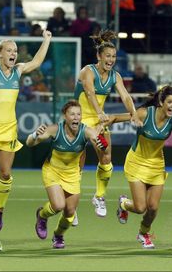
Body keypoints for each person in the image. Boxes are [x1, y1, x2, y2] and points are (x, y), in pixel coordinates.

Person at [0, 6, 52, 232]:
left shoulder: (18, 71)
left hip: (9, 129)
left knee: (6, 173)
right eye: (9, 50)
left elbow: (36, 62)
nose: (13, 53)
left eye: (15, 50)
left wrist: (45, 40)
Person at [73, 29, 142, 217]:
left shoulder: (115, 76)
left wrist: (133, 113)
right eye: (107, 56)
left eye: (114, 57)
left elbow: (126, 96)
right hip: (78, 119)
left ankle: (99, 196)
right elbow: (89, 93)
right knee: (77, 163)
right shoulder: (88, 71)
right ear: (99, 56)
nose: (111, 60)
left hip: (98, 120)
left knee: (106, 158)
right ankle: (71, 203)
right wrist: (100, 112)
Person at [112, 86, 172, 249]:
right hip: (137, 162)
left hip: (156, 165)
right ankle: (124, 204)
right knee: (140, 208)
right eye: (170, 102)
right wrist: (108, 119)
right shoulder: (145, 113)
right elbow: (123, 117)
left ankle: (144, 233)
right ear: (161, 102)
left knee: (153, 208)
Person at [28, 100, 107, 249]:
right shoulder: (54, 130)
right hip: (52, 170)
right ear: (65, 116)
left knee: (70, 213)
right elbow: (29, 143)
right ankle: (42, 216)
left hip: (72, 174)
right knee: (58, 205)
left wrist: (102, 144)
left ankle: (58, 235)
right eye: (72, 114)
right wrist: (34, 135)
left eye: (79, 114)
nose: (76, 117)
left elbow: (100, 144)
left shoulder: (86, 131)